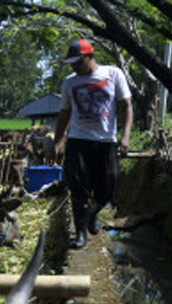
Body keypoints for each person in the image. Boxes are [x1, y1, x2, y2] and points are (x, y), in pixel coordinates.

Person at [54, 38, 133, 249]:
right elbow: (64, 114)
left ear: (90, 57)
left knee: (107, 188)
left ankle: (93, 213)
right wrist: (57, 140)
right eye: (72, 64)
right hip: (78, 141)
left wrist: (125, 136)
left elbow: (126, 106)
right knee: (78, 187)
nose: (75, 67)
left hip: (106, 141)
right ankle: (80, 233)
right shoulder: (69, 82)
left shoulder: (113, 74)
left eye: (78, 62)